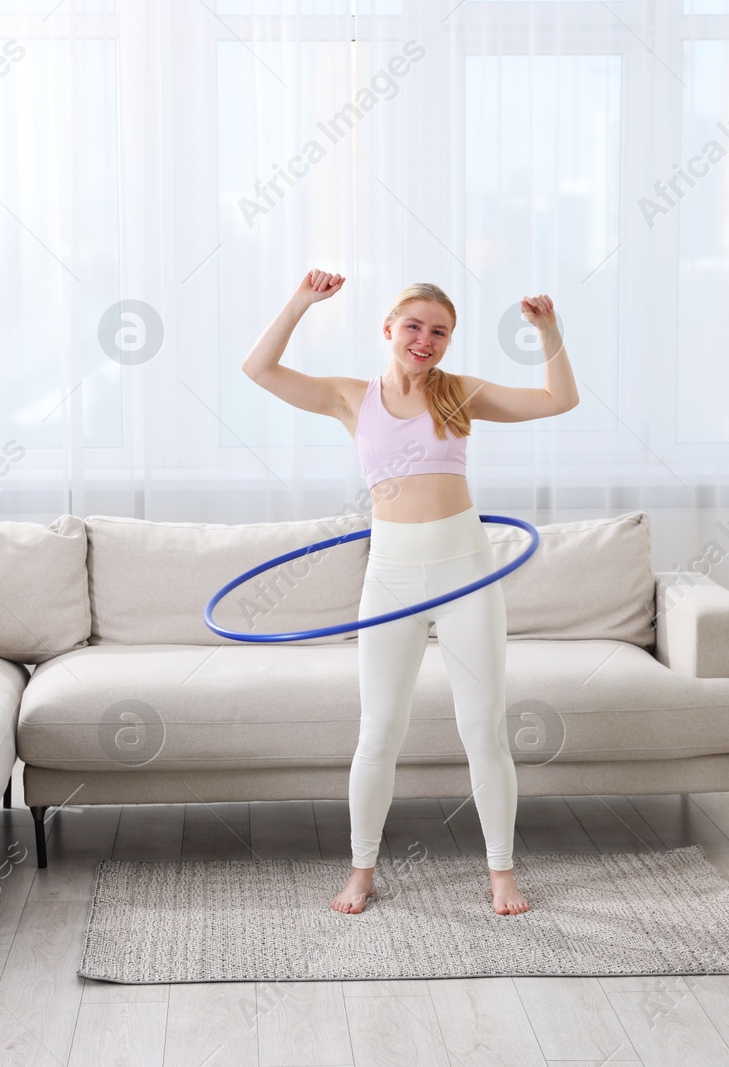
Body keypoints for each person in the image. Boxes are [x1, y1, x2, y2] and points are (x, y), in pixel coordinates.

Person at [241, 270, 579, 916]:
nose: (425, 340)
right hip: (391, 577)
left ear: (449, 342)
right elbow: (259, 368)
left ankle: (501, 872)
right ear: (390, 329)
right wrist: (301, 304)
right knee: (379, 732)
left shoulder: (460, 393)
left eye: (440, 331)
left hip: (465, 575)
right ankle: (361, 871)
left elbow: (558, 400)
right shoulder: (352, 397)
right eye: (415, 326)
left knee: (484, 729)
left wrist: (548, 332)